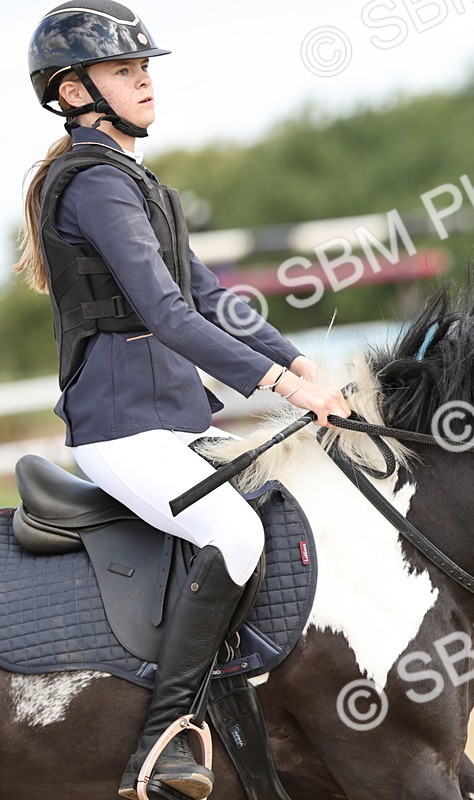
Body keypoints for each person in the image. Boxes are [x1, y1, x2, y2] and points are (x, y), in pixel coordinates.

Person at [16, 3, 352, 798]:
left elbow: (215, 299)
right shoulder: (93, 184)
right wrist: (278, 388)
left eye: (145, 68)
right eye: (125, 70)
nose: (144, 81)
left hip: (175, 425)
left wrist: (308, 366)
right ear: (72, 91)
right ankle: (160, 745)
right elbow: (167, 314)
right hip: (121, 432)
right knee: (233, 534)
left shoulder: (140, 185)